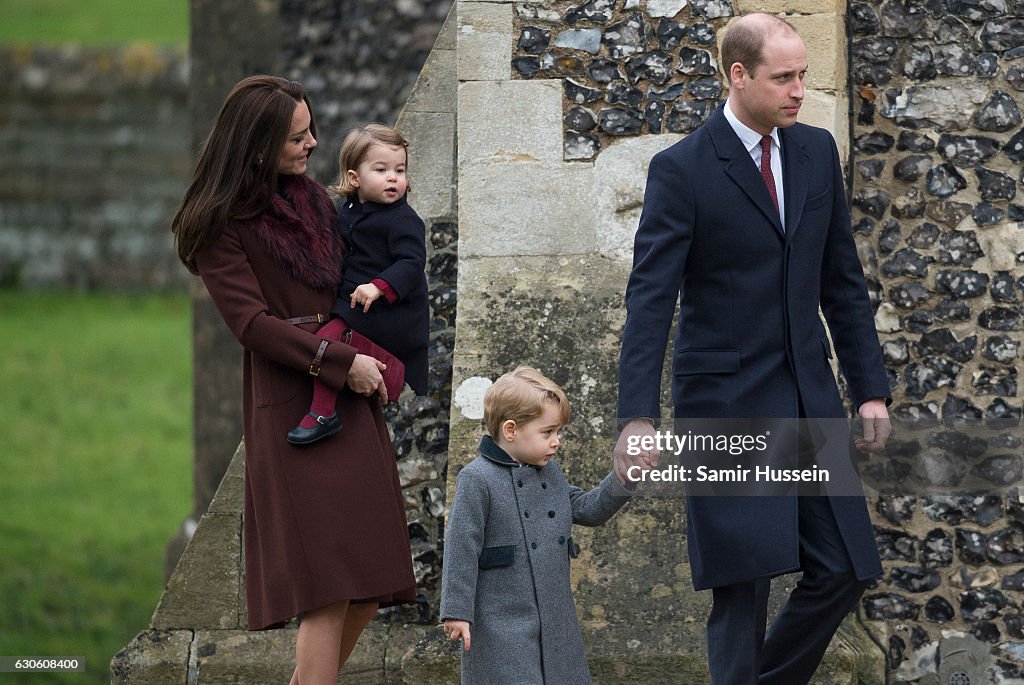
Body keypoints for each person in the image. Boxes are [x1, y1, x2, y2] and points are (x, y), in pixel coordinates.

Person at [613, 14, 892, 685]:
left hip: (808, 396)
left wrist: (871, 388)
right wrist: (636, 415)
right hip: (726, 403)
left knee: (847, 567)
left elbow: (842, 282)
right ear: (739, 75)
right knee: (742, 590)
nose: (800, 90)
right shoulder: (680, 169)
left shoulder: (816, 152)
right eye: (785, 77)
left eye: (803, 75)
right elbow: (650, 299)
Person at [171, 75, 415, 685]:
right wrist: (341, 364)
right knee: (326, 589)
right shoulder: (218, 223)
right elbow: (251, 325)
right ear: (256, 147)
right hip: (293, 405)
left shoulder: (314, 200)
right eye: (298, 137)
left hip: (351, 391)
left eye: (311, 131)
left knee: (368, 585)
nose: (313, 145)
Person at [440, 366, 633, 684]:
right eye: (548, 432)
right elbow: (462, 546)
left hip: (555, 621)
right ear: (511, 430)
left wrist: (623, 478)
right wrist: (457, 611)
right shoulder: (477, 478)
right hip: (501, 625)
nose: (556, 442)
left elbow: (587, 509)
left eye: (558, 433)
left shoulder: (551, 473)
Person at [286, 123, 429, 445]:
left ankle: (324, 413)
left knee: (328, 343)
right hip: (354, 302)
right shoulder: (346, 211)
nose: (393, 177)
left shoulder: (404, 220)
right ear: (354, 178)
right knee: (331, 340)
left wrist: (379, 286)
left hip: (388, 309)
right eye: (381, 169)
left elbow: (411, 262)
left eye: (400, 170)